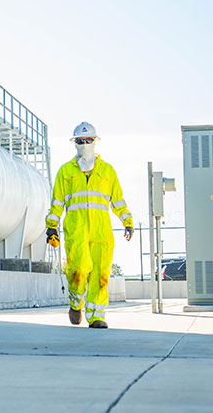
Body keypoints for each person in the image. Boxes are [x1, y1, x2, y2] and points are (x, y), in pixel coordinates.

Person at [45, 122, 134, 329]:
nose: (84, 144)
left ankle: (96, 317)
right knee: (78, 269)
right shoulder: (65, 172)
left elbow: (118, 201)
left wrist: (127, 222)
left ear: (95, 142)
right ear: (75, 143)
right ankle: (76, 304)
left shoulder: (107, 171)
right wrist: (51, 226)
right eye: (80, 141)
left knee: (101, 274)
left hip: (102, 231)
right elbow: (57, 202)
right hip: (76, 230)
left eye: (88, 140)